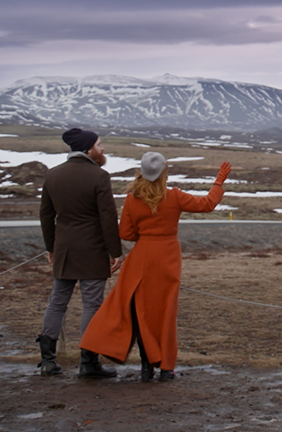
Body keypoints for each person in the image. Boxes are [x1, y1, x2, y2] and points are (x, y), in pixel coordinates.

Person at [80, 152, 232, 381]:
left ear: (141, 173)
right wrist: (218, 182)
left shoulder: (132, 199)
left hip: (140, 259)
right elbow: (208, 204)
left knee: (137, 313)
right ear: (164, 173)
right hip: (167, 259)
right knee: (164, 314)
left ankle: (145, 366)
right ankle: (166, 367)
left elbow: (127, 234)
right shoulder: (175, 197)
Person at [36, 127, 123, 378]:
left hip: (64, 248)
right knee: (92, 305)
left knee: (57, 302)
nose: (102, 148)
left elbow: (46, 215)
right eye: (99, 144)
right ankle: (89, 362)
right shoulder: (99, 176)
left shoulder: (53, 175)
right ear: (88, 149)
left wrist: (51, 247)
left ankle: (48, 360)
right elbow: (108, 217)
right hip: (93, 249)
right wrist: (114, 251)